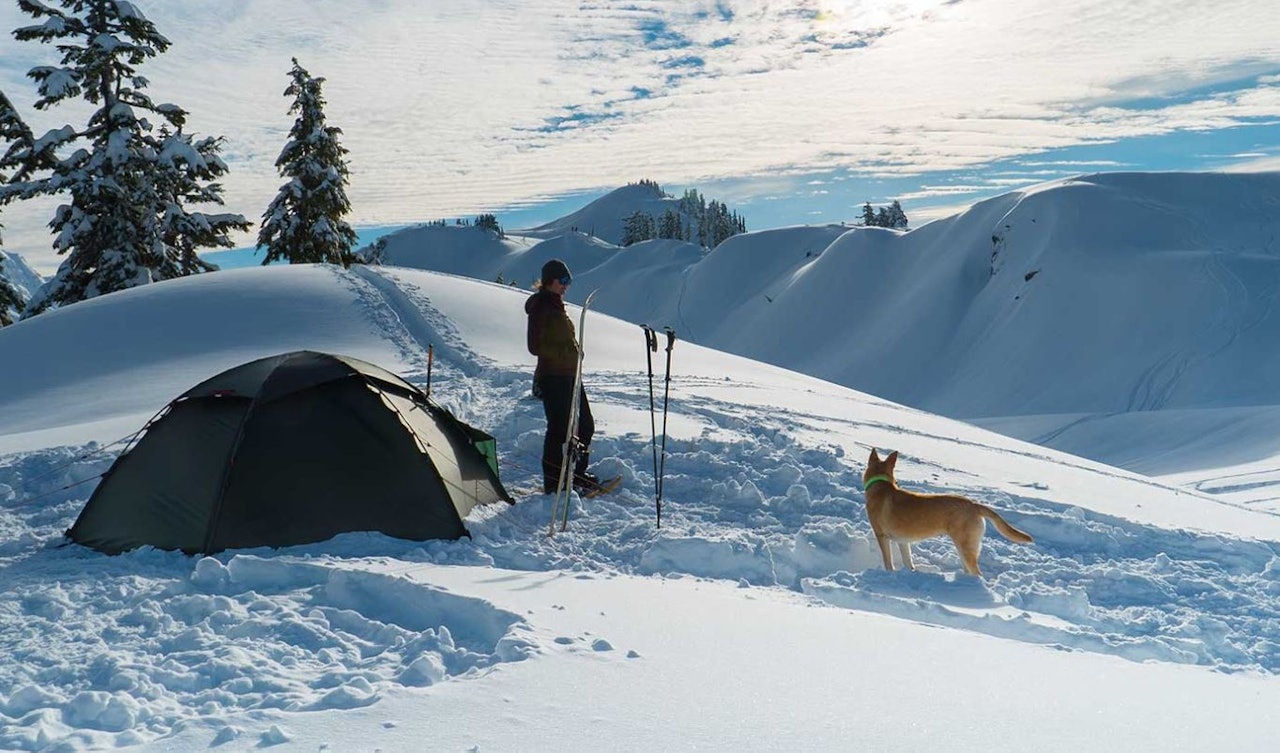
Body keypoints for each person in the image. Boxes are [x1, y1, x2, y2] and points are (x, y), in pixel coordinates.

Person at [525, 259, 601, 495]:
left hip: (570, 375)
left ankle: (575, 474)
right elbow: (535, 346)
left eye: (569, 281)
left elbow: (562, 339)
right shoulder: (541, 306)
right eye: (563, 281)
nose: (567, 285)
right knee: (559, 430)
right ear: (549, 281)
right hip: (553, 376)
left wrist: (575, 350)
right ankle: (554, 483)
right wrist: (566, 352)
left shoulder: (557, 305)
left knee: (585, 425)